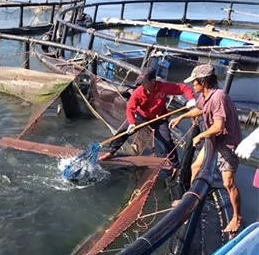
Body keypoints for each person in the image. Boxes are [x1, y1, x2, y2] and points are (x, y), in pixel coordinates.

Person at [169, 64, 243, 233]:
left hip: (226, 142)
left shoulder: (218, 97)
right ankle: (189, 200)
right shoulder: (206, 95)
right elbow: (199, 109)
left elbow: (218, 126)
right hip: (214, 140)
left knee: (228, 183)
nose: (192, 86)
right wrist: (181, 116)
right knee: (195, 166)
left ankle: (237, 218)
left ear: (203, 82)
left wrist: (201, 135)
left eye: (194, 82)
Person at [98, 66, 196, 169]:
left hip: (159, 117)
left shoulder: (163, 87)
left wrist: (191, 99)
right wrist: (131, 123)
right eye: (141, 82)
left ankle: (176, 165)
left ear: (153, 81)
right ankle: (111, 152)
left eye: (145, 82)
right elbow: (130, 108)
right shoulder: (138, 92)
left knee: (167, 140)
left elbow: (184, 88)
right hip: (142, 116)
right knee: (123, 131)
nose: (142, 85)